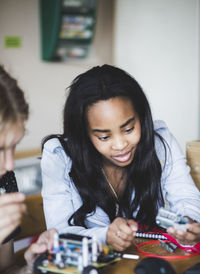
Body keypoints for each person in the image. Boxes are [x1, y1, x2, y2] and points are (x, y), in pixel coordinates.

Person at [41, 64, 200, 252]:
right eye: (104, 137)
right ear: (84, 133)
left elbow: (185, 195)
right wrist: (104, 236)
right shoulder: (59, 156)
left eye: (128, 129)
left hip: (149, 261)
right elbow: (59, 233)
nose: (120, 145)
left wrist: (190, 222)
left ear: (141, 116)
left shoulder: (160, 140)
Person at [0, 65, 56, 274]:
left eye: (14, 146)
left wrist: (30, 265)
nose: (10, 164)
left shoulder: (4, 181)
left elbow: (4, 272)